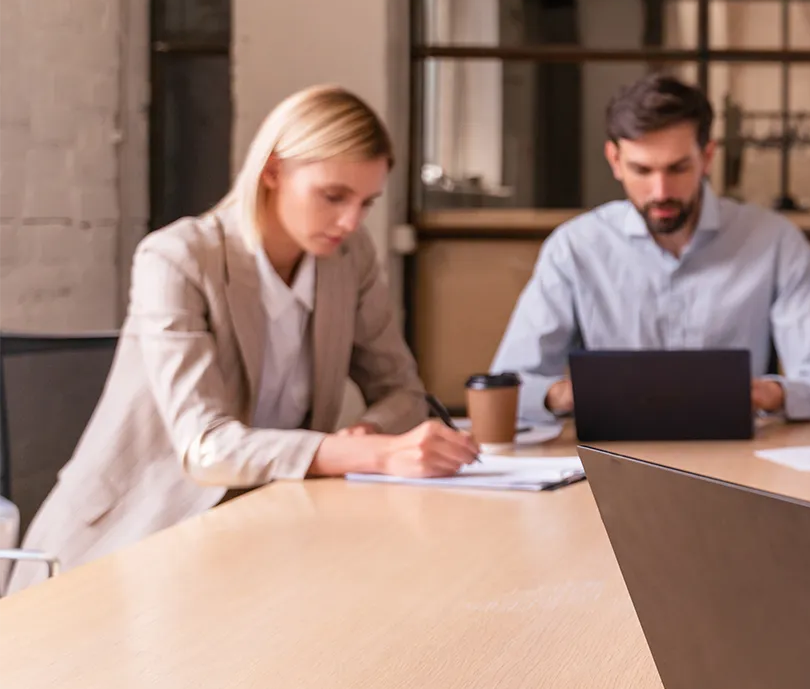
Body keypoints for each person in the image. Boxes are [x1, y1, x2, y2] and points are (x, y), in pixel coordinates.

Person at [12, 87, 477, 593]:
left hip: (259, 530)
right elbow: (206, 447)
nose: (351, 221)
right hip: (129, 544)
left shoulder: (349, 258)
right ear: (274, 171)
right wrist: (375, 455)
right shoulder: (177, 258)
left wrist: (363, 435)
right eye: (333, 196)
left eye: (366, 202)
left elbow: (402, 390)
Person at [490, 75, 810, 424]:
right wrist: (563, 394)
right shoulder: (574, 248)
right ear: (615, 161)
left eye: (678, 168)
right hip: (612, 462)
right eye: (642, 170)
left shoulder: (775, 242)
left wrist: (768, 393)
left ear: (707, 157)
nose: (661, 191)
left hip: (741, 463)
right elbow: (504, 386)